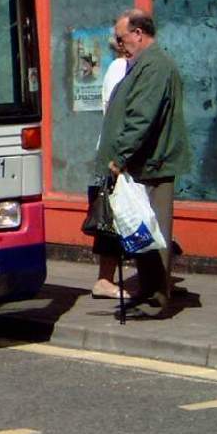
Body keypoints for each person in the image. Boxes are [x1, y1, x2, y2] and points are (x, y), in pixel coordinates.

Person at [94, 8, 192, 315]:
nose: (118, 44)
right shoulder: (144, 64)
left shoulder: (154, 66)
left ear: (138, 33)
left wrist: (119, 156)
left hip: (152, 164)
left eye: (121, 38)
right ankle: (150, 292)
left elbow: (141, 118)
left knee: (154, 232)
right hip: (143, 164)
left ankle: (156, 299)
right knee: (143, 231)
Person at [90, 40, 130, 299]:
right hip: (114, 155)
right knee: (111, 218)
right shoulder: (119, 67)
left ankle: (158, 279)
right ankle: (104, 280)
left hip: (120, 153)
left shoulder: (127, 67)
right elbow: (117, 112)